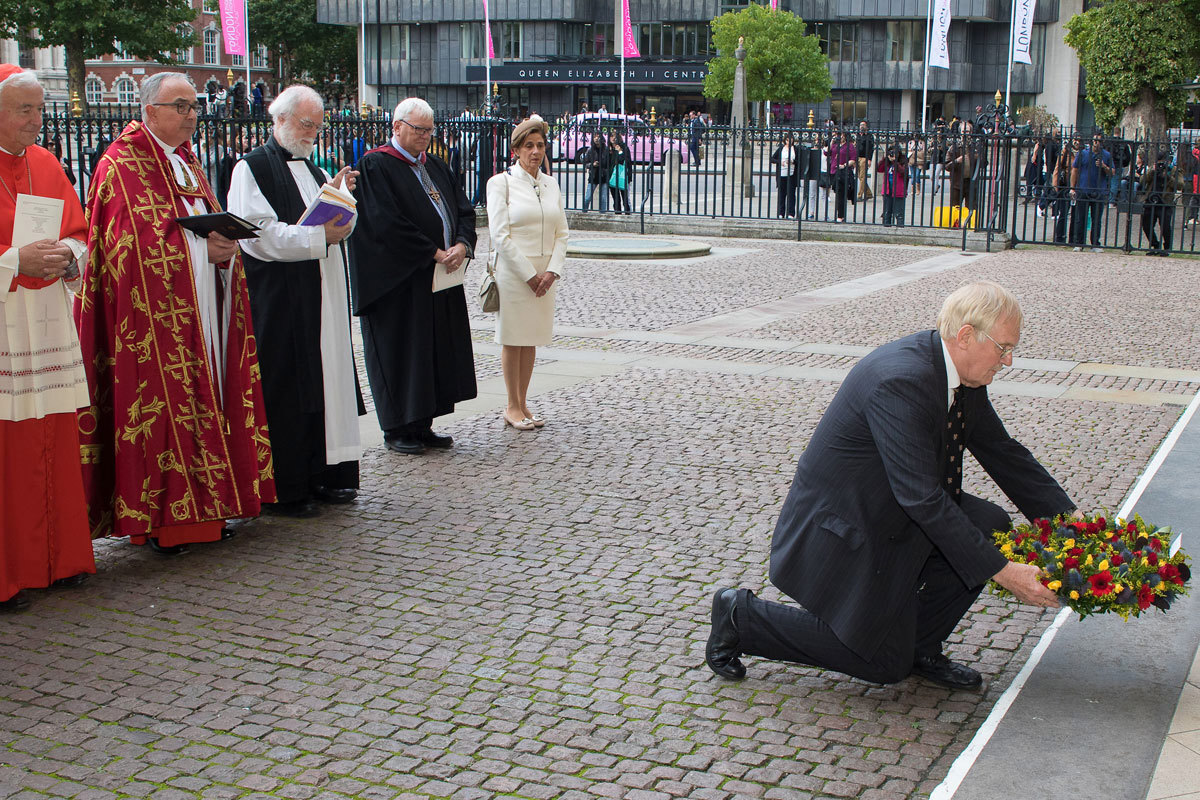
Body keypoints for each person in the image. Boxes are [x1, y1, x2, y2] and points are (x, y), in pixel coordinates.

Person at [706, 281, 1077, 689]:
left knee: (988, 523)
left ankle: (920, 646)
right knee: (884, 664)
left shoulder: (957, 371)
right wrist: (1003, 571)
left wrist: (1073, 523)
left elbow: (1002, 452)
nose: (1007, 362)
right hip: (848, 527)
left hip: (891, 509)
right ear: (967, 335)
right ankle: (742, 618)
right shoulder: (901, 381)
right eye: (1003, 348)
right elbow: (921, 498)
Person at [76, 71, 275, 554]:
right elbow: (125, 248)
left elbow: (199, 226)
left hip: (205, 305)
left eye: (193, 107)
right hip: (152, 321)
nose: (191, 116)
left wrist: (225, 249)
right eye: (180, 106)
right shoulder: (120, 164)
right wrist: (198, 253)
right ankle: (164, 520)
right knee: (163, 408)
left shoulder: (187, 162)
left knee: (212, 394)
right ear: (149, 112)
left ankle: (211, 505)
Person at [226, 84, 364, 517]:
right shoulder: (251, 170)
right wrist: (317, 236)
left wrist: (342, 201)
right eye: (306, 125)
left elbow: (336, 222)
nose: (312, 135)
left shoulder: (316, 170)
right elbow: (257, 234)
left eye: (317, 127)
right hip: (281, 297)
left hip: (323, 292)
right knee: (287, 385)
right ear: (280, 119)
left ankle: (327, 472)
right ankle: (288, 485)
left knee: (327, 380)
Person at [0, 66, 95, 613]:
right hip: (7, 322)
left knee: (53, 436)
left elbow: (79, 231)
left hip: (47, 322)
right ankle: (12, 569)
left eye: (39, 110)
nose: (37, 121)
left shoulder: (46, 162)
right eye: (25, 110)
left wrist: (67, 258)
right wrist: (15, 261)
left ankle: (61, 559)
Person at [349, 97, 477, 455]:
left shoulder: (435, 165)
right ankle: (397, 426)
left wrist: (463, 244)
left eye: (429, 130)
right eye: (418, 129)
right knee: (401, 352)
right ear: (397, 127)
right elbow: (385, 222)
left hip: (438, 279)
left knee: (431, 351)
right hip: (398, 282)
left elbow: (464, 210)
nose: (424, 136)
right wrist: (432, 251)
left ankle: (423, 422)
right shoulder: (377, 165)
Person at [486, 116, 568, 431]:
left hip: (544, 274)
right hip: (515, 273)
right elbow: (500, 235)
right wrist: (528, 274)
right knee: (513, 338)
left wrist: (552, 271)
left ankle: (523, 401)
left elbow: (562, 233)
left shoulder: (551, 184)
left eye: (540, 146)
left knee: (530, 338)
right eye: (529, 146)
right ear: (516, 150)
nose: (535, 152)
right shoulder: (501, 183)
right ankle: (511, 404)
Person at [1069, 132, 1114, 252]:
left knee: (1096, 219)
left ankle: (1095, 243)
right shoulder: (1083, 154)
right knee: (1081, 218)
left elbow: (1112, 172)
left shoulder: (1106, 155)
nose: (1096, 143)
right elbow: (1075, 170)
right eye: (1095, 141)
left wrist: (1104, 166)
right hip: (1083, 189)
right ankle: (1079, 242)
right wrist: (1072, 187)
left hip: (1099, 190)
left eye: (1099, 141)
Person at [1138, 148, 1182, 256]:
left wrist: (1168, 177)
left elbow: (1180, 185)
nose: (1161, 164)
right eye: (1159, 162)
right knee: (1146, 225)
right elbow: (1142, 181)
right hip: (1151, 200)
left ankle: (1166, 248)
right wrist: (1152, 171)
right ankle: (1155, 245)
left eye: (1163, 162)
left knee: (1165, 227)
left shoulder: (1174, 170)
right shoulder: (1153, 169)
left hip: (1165, 202)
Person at [827, 128, 856, 223]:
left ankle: (841, 215)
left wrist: (844, 165)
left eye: (842, 135)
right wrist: (831, 141)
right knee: (837, 192)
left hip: (843, 172)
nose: (840, 137)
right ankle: (840, 214)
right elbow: (827, 152)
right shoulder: (835, 145)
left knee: (841, 194)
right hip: (834, 171)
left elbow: (853, 159)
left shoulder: (849, 146)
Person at [876, 146, 909, 227]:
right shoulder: (887, 163)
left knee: (899, 213)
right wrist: (884, 158)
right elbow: (879, 169)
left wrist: (895, 162)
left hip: (898, 191)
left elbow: (904, 173)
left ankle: (900, 228)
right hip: (887, 191)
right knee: (887, 212)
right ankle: (886, 227)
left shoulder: (903, 162)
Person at [769, 132, 799, 218]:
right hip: (782, 173)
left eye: (791, 140)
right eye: (787, 140)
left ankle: (791, 213)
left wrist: (792, 161)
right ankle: (781, 213)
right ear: (785, 141)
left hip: (791, 174)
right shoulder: (781, 148)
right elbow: (772, 158)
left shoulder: (795, 149)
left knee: (791, 194)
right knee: (781, 195)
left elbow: (799, 160)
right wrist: (780, 162)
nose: (789, 142)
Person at [581, 131, 610, 212]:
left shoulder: (606, 149)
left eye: (598, 137)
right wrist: (592, 165)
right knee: (587, 197)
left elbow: (609, 163)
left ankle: (603, 214)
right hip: (593, 176)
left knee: (603, 199)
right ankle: (584, 212)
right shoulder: (590, 150)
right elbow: (585, 163)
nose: (596, 139)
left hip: (603, 176)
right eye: (595, 137)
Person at [607, 131, 632, 214]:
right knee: (616, 198)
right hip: (612, 177)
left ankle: (627, 213)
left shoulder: (624, 147)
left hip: (622, 177)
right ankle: (617, 213)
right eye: (611, 136)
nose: (613, 138)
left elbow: (625, 162)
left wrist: (620, 151)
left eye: (615, 136)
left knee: (625, 198)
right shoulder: (608, 149)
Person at [854, 120, 875, 201]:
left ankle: (859, 195)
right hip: (857, 157)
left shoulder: (869, 136)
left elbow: (871, 149)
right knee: (860, 176)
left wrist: (869, 159)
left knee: (863, 177)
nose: (861, 126)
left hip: (864, 158)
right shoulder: (858, 135)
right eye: (860, 125)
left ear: (866, 126)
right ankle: (868, 193)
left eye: (863, 125)